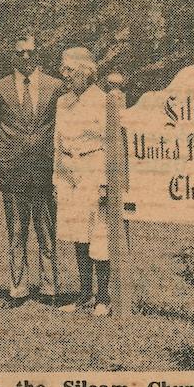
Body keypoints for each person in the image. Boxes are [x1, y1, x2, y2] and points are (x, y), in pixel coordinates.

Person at [0, 35, 62, 308]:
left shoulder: (56, 87)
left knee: (46, 231)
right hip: (13, 171)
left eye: (31, 52)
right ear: (13, 55)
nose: (26, 58)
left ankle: (50, 288)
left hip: (44, 170)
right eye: (20, 53)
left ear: (38, 54)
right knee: (16, 232)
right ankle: (17, 289)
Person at [52, 46, 111, 316]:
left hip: (93, 169)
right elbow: (57, 142)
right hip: (68, 173)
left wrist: (105, 180)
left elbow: (110, 144)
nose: (64, 74)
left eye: (70, 70)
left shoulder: (102, 100)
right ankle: (84, 294)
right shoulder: (62, 102)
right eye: (63, 69)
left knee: (97, 232)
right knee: (78, 234)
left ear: (85, 72)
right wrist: (56, 177)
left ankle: (103, 297)